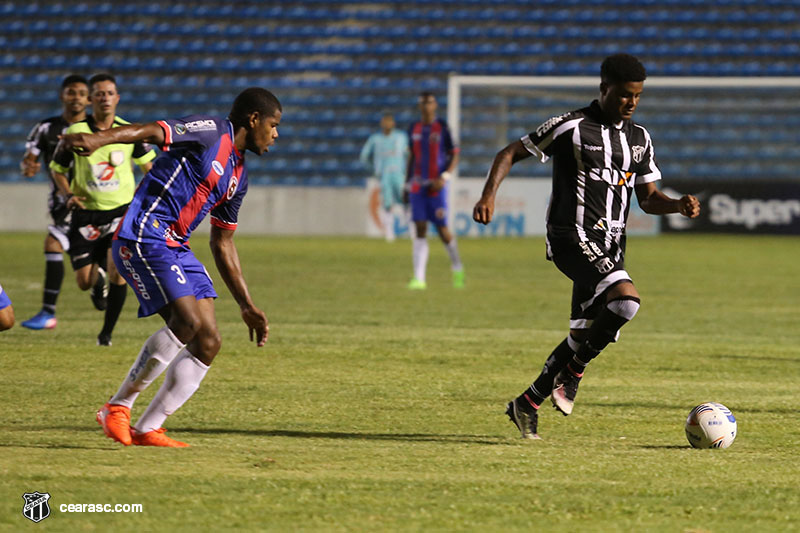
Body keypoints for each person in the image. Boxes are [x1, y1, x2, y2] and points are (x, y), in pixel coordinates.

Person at [473, 54, 700, 440]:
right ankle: (574, 372)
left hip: (611, 246)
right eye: (625, 94)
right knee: (626, 300)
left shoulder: (639, 139)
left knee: (584, 334)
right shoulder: (571, 127)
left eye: (638, 96)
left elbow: (648, 199)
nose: (631, 102)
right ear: (604, 88)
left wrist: (677, 205)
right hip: (571, 236)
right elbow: (509, 152)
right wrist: (488, 195)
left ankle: (527, 403)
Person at [59, 87, 278, 447]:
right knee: (186, 322)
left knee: (208, 341)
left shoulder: (238, 176)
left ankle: (149, 428)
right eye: (273, 125)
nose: (276, 134)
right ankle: (116, 407)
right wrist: (99, 139)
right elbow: (151, 131)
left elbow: (222, 242)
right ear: (254, 119)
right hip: (144, 233)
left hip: (177, 245)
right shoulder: (211, 131)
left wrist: (246, 304)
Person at [50, 73, 156, 346]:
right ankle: (96, 279)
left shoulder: (130, 132)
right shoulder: (75, 133)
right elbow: (57, 169)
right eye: (99, 93)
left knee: (118, 270)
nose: (105, 98)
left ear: (117, 98)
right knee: (83, 282)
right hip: (85, 213)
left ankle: (106, 334)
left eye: (110, 93)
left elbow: (150, 168)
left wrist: (145, 196)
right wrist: (68, 195)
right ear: (90, 99)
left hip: (120, 212)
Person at [20, 74, 100, 330]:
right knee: (81, 277)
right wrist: (28, 166)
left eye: (81, 94)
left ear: (89, 100)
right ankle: (98, 277)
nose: (76, 98)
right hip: (60, 203)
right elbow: (30, 158)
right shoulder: (46, 128)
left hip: (89, 202)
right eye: (71, 92)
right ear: (62, 96)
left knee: (54, 243)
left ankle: (49, 312)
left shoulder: (96, 129)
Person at [406, 92, 465, 289]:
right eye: (423, 103)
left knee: (442, 230)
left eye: (429, 102)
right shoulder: (413, 128)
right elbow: (411, 156)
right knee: (420, 229)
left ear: (435, 105)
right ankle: (419, 278)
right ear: (419, 105)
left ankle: (457, 267)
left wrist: (444, 177)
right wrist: (406, 183)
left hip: (436, 187)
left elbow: (454, 154)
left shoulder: (442, 127)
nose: (426, 106)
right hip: (417, 186)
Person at [360, 113, 409, 242]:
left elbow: (409, 154)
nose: (387, 124)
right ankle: (389, 232)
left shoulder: (401, 137)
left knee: (405, 199)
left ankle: (410, 229)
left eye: (389, 121)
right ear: (382, 123)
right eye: (385, 121)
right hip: (384, 175)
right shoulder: (375, 139)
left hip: (399, 174)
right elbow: (364, 156)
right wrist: (374, 170)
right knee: (387, 202)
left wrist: (408, 170)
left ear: (393, 123)